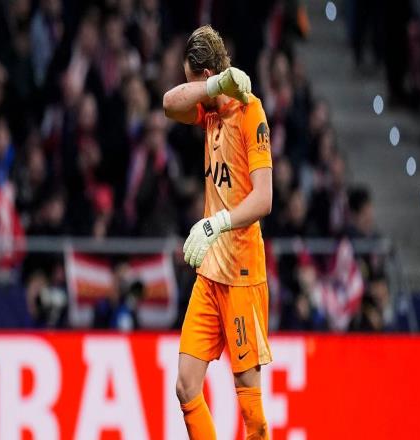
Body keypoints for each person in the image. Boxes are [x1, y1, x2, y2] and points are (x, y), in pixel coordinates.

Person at [163, 25, 272, 439]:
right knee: (186, 386)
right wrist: (214, 85)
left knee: (251, 411)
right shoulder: (209, 109)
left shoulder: (250, 112)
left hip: (242, 273)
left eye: (194, 79)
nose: (193, 90)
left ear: (206, 72)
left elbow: (264, 198)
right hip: (210, 275)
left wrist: (218, 222)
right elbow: (169, 104)